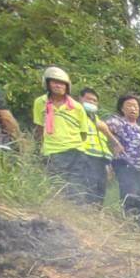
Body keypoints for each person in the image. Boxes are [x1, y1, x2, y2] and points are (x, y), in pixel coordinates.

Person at [32, 66, 94, 201]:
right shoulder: (40, 103)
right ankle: (58, 214)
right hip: (53, 151)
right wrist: (38, 149)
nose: (58, 85)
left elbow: (84, 133)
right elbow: (39, 128)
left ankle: (75, 216)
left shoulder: (77, 107)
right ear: (47, 83)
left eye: (61, 83)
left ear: (67, 86)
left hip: (76, 151)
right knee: (56, 187)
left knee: (76, 188)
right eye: (54, 81)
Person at [105, 94, 140, 227]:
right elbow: (102, 126)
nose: (133, 108)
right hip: (126, 165)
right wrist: (114, 143)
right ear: (122, 108)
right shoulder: (118, 122)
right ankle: (128, 225)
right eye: (129, 105)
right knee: (130, 195)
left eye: (136, 106)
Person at [77, 88, 118, 207]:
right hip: (86, 157)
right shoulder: (78, 116)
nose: (92, 103)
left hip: (101, 160)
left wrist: (108, 164)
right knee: (87, 190)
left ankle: (95, 216)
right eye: (88, 99)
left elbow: (103, 144)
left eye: (95, 101)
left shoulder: (98, 121)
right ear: (80, 99)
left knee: (100, 193)